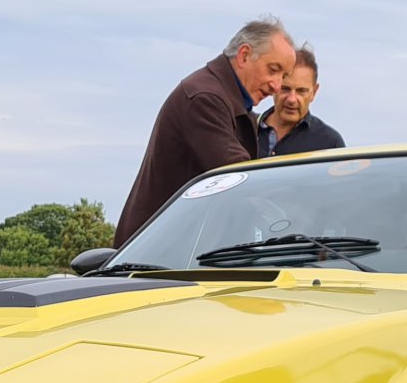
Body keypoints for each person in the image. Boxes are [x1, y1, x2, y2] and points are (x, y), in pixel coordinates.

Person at [113, 16, 297, 246]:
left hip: (171, 248)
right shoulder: (205, 99)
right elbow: (237, 177)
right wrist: (295, 201)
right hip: (158, 253)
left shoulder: (225, 99)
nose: (277, 86)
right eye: (273, 70)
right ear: (244, 55)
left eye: (283, 76)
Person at [257, 44, 345, 157]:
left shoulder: (330, 143)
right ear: (274, 85)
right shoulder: (243, 130)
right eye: (285, 89)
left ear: (314, 92)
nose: (292, 99)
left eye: (301, 91)